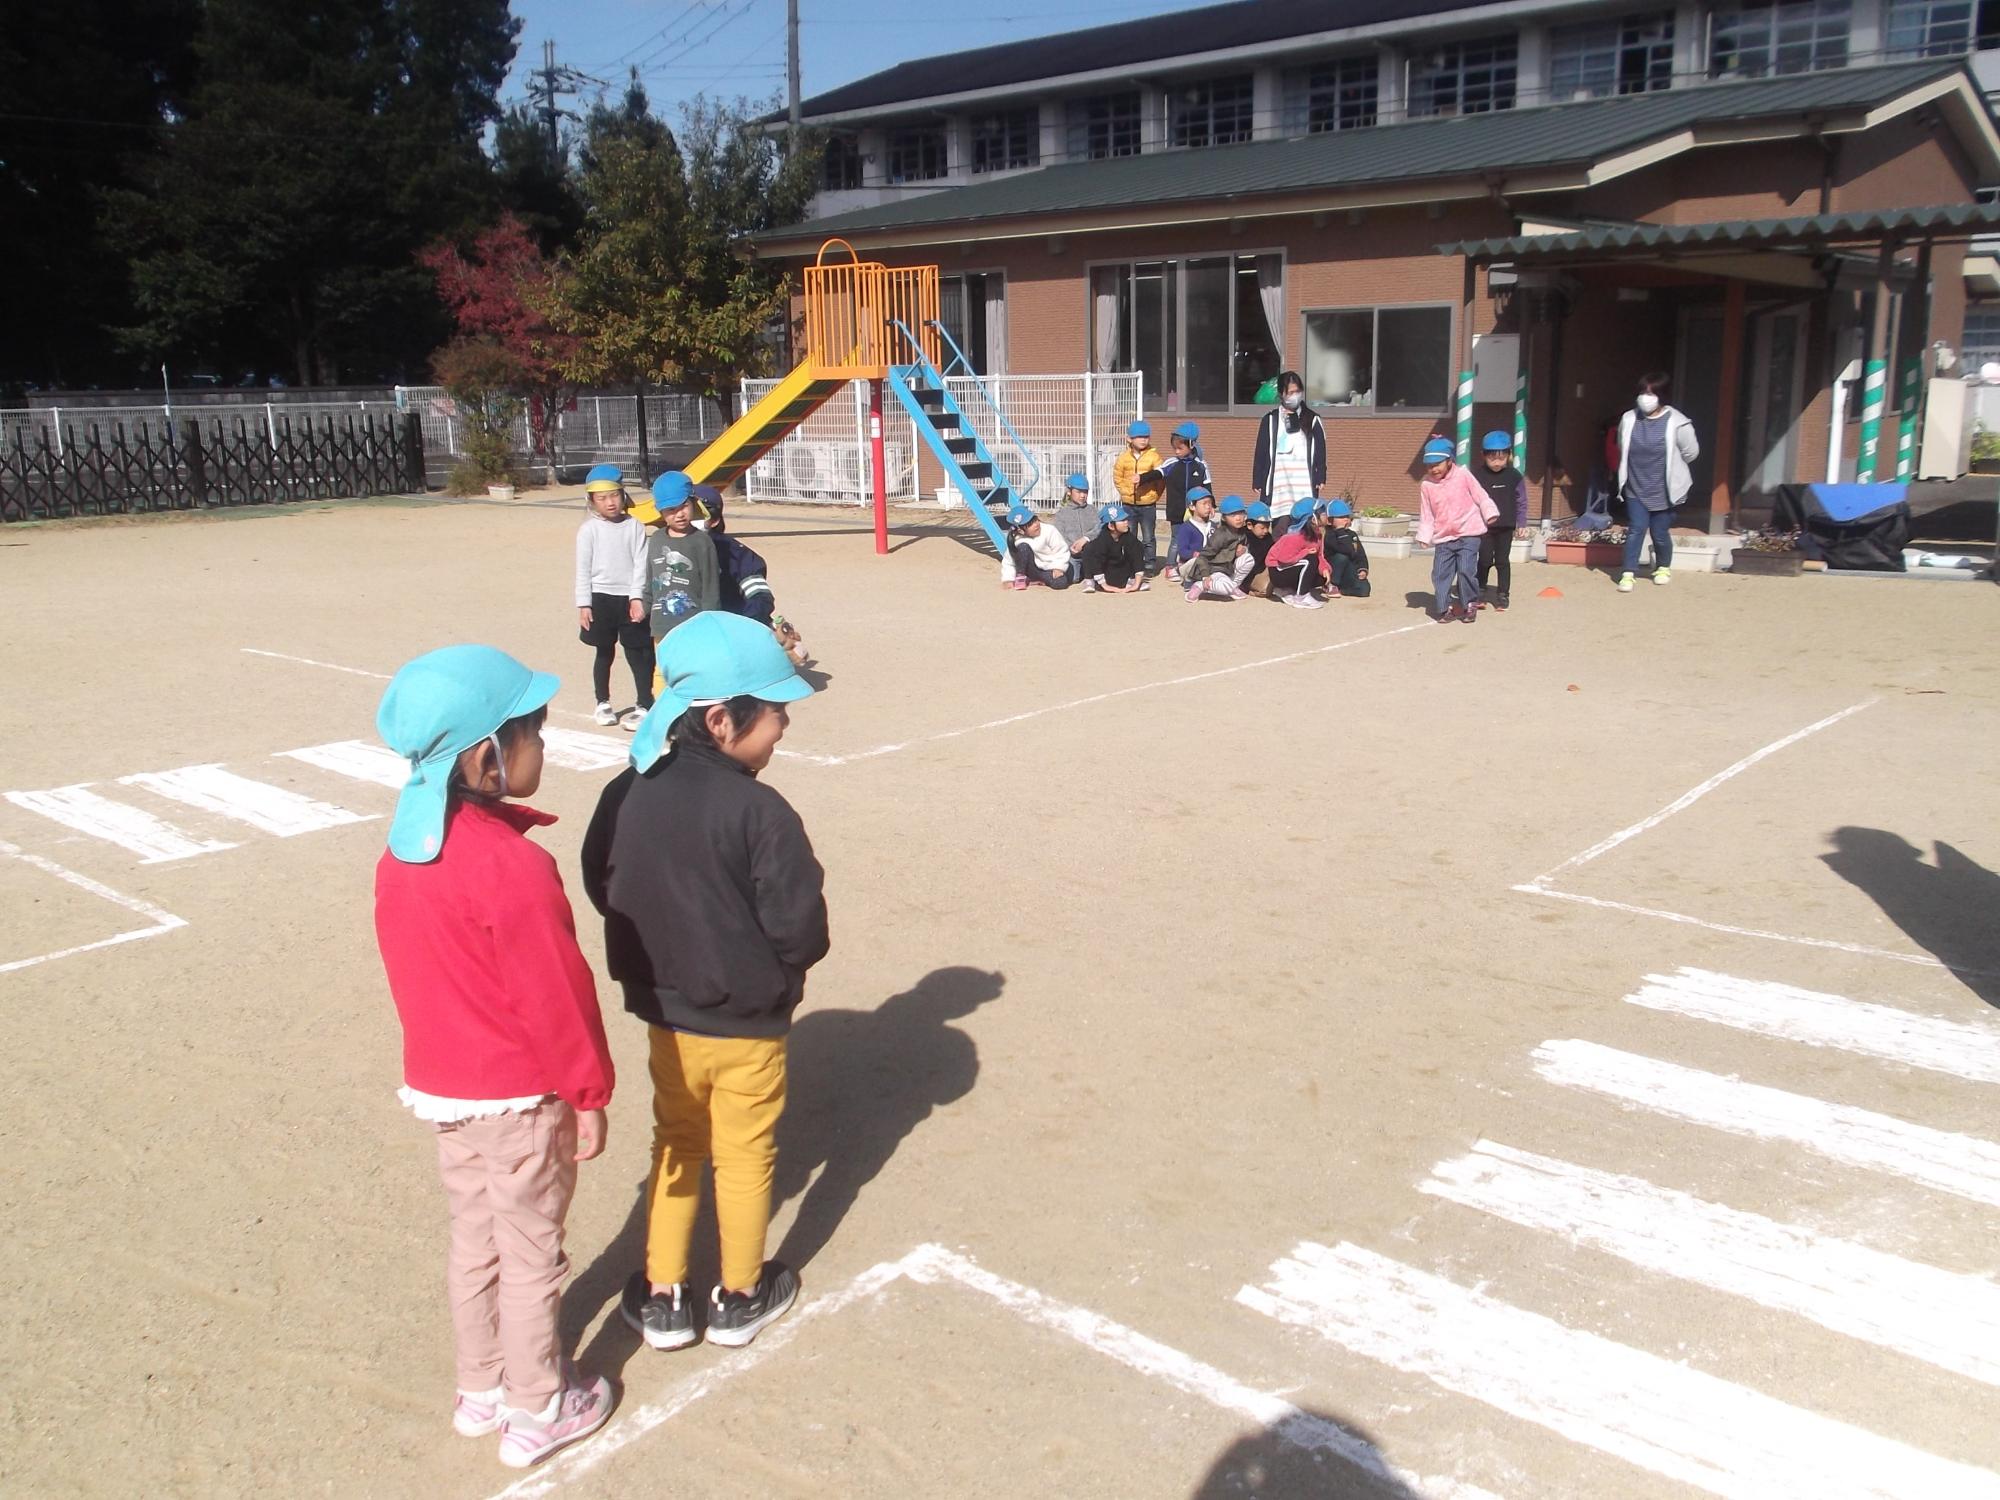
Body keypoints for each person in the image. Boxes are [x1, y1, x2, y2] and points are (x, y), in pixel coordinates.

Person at [373, 645, 617, 1469]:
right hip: (520, 1095)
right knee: (530, 1250)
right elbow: (556, 991)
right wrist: (587, 1090)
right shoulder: (511, 865)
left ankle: (480, 1388)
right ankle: (540, 1402)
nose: (541, 746)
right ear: (486, 759)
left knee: (473, 1237)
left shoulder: (402, 855)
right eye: (533, 731)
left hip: (447, 1090)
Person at [581, 613, 828, 1355]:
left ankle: (663, 1296)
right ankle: (741, 1294)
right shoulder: (762, 812)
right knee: (746, 1154)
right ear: (721, 722)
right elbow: (801, 927)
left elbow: (602, 880)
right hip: (749, 1022)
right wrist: (779, 972)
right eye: (773, 709)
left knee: (676, 1142)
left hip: (668, 1014)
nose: (784, 722)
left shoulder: (627, 791)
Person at [693, 484, 808, 667]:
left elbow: (760, 596)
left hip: (730, 626)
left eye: (696, 513)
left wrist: (745, 626)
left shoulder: (735, 554)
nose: (684, 516)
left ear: (714, 520)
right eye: (677, 509)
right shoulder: (664, 546)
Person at [575, 466, 654, 730]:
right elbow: (582, 569)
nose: (610, 502)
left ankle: (644, 703)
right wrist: (584, 604)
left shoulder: (635, 527)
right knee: (604, 651)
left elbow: (641, 564)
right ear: (592, 501)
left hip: (630, 598)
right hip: (600, 598)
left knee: (638, 652)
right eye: (602, 498)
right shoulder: (589, 530)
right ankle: (602, 702)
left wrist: (636, 598)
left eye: (615, 496)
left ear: (623, 495)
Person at [1615, 373, 1700, 592]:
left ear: (1662, 396)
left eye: (1651, 393)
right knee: (1636, 528)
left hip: (1664, 489)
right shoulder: (1628, 419)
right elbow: (1621, 446)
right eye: (1643, 393)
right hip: (1636, 486)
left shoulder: (1678, 423)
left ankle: (1663, 567)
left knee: (1660, 532)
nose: (1646, 397)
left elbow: (1691, 453)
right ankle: (1628, 572)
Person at [1416, 437, 1497, 623]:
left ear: (1450, 460)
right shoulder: (1427, 485)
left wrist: (1489, 512)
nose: (1433, 469)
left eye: (1437, 464)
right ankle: (1445, 608)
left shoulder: (1463, 475)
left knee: (1466, 569)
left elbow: (1480, 495)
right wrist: (1424, 535)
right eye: (1429, 466)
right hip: (1444, 537)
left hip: (1468, 533)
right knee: (1439, 573)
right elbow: (1426, 513)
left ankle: (1469, 603)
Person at [633, 472, 720, 644]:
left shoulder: (702, 542)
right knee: (663, 670)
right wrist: (644, 605)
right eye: (671, 509)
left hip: (693, 625)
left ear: (693, 504)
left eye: (684, 506)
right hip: (661, 625)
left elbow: (711, 588)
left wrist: (711, 620)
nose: (679, 514)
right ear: (660, 511)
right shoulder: (657, 539)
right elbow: (651, 578)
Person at [1251, 371, 1326, 517]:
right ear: (1281, 394)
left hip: (1303, 482)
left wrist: (1321, 475)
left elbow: (1320, 450)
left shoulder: (1312, 419)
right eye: (1290, 392)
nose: (1294, 395)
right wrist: (1258, 479)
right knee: (1281, 527)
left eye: (1297, 391)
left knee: (1304, 524)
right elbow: (1261, 451)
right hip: (1280, 484)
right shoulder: (1270, 420)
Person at [1471, 432, 1528, 610]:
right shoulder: (1476, 475)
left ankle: (1503, 595)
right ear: (1483, 455)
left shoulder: (1514, 476)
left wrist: (1522, 523)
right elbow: (1470, 499)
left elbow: (1522, 501)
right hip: (1484, 527)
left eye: (1502, 458)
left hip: (1506, 526)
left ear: (1509, 455)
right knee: (1484, 559)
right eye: (1492, 458)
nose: (1497, 462)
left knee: (1502, 561)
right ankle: (1480, 590)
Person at [1112, 420, 1164, 570]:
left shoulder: (1154, 457)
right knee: (1129, 536)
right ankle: (1131, 563)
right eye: (1139, 437)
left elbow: (1160, 479)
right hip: (1128, 505)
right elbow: (1117, 477)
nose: (1143, 440)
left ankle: (1149, 564)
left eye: (1146, 437)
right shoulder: (1123, 458)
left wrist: (1155, 495)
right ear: (1129, 439)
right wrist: (1125, 492)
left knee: (1148, 537)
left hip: (1148, 505)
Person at [1185, 494, 1256, 602]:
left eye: (1240, 513)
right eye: (1232, 515)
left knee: (1248, 559)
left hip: (1228, 569)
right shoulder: (1220, 534)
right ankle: (1200, 586)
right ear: (1224, 518)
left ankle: (1232, 587)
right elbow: (1203, 557)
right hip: (1213, 570)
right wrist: (1205, 576)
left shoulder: (1242, 532)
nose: (1238, 518)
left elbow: (1246, 547)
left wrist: (1243, 550)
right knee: (1226, 589)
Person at [1264, 506, 1328, 609]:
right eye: (1324, 514)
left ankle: (1291, 590)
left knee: (1322, 577)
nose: (1327, 516)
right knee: (1310, 559)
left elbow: (1320, 555)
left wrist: (1325, 568)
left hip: (1293, 566)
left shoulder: (1317, 535)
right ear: (1313, 518)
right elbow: (1284, 558)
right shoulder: (1293, 537)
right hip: (1278, 571)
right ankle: (1301, 597)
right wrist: (1305, 552)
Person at [1003, 503, 1077, 590]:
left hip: (1049, 568)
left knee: (1061, 583)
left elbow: (1061, 550)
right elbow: (1008, 561)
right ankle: (1021, 577)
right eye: (1030, 524)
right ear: (1020, 530)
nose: (1036, 524)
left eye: (1035, 520)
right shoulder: (1017, 539)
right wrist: (1008, 579)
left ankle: (1036, 581)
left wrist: (1058, 568)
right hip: (1031, 569)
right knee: (1023, 547)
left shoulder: (1049, 530)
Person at [1078, 503, 1148, 593]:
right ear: (1111, 525)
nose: (1126, 522)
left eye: (1126, 519)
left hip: (1119, 567)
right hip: (1105, 570)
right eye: (1122, 520)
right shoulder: (1102, 539)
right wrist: (1105, 585)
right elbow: (1097, 562)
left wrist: (1136, 584)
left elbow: (1137, 557)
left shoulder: (1128, 536)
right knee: (1089, 548)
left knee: (1138, 546)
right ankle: (1089, 580)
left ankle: (1132, 580)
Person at [1159, 421, 1211, 544]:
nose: (1176, 452)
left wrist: (1211, 505)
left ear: (1191, 445)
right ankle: (1171, 563)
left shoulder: (1201, 465)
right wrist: (1140, 478)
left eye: (1180, 448)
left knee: (1195, 539)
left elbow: (1207, 487)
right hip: (1176, 511)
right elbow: (1157, 473)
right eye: (1174, 448)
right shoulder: (1172, 463)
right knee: (1176, 540)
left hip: (1195, 511)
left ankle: (1191, 562)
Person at [1321, 500, 1372, 598]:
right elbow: (1345, 549)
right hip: (1333, 569)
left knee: (1364, 590)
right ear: (1329, 520)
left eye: (1347, 517)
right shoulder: (1329, 534)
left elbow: (1360, 554)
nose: (1345, 520)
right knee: (1342, 557)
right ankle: (1331, 584)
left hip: (1348, 570)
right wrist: (1340, 530)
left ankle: (1342, 589)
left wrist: (1363, 569)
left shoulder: (1352, 535)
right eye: (1341, 517)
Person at [1168, 486, 1217, 581]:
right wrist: (1196, 554)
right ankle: (1186, 578)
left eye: (1210, 503)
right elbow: (1182, 551)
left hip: (1210, 564)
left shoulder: (1214, 526)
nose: (1208, 507)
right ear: (1192, 506)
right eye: (1204, 503)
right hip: (1191, 563)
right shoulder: (1186, 527)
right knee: (1198, 561)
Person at [1048, 472, 1102, 555]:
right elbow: (1060, 535)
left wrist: (1086, 538)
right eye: (1078, 492)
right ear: (1069, 492)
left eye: (1085, 492)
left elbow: (1100, 527)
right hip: (1071, 556)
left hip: (1092, 554)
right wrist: (1070, 547)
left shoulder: (1093, 510)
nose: (1082, 495)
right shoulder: (1062, 514)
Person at [1242, 500, 1276, 595]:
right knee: (1266, 588)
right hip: (1248, 576)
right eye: (1262, 528)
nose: (1266, 531)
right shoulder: (1243, 537)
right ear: (1249, 525)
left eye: (1268, 526)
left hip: (1262, 571)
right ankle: (1248, 589)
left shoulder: (1268, 538)